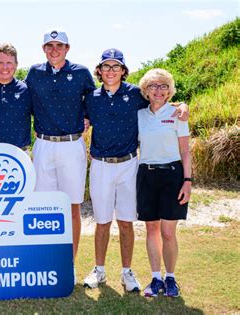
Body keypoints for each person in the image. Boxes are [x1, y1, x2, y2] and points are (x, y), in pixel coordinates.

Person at [83, 49, 189, 292]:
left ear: (123, 70)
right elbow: (83, 119)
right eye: (106, 66)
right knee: (101, 221)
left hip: (130, 165)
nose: (111, 71)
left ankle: (126, 272)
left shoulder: (135, 95)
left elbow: (160, 101)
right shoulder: (90, 97)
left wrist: (182, 105)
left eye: (116, 66)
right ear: (99, 71)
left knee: (126, 222)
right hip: (100, 164)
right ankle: (99, 270)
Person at [25, 29, 95, 273]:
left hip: (72, 144)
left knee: (71, 205)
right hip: (43, 144)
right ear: (43, 49)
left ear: (67, 48)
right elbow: (21, 98)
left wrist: (87, 116)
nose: (54, 50)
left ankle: (70, 263)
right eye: (49, 46)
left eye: (59, 45)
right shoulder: (34, 73)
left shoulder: (81, 73)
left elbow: (94, 99)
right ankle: (46, 261)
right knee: (44, 205)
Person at [137, 69, 191, 298]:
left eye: (163, 86)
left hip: (172, 175)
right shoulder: (139, 114)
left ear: (169, 90)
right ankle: (155, 278)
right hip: (146, 175)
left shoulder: (178, 114)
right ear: (145, 91)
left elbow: (186, 151)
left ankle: (170, 278)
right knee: (151, 229)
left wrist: (187, 181)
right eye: (153, 86)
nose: (158, 90)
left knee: (168, 232)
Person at [0, 43, 32, 152]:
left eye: (9, 63)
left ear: (16, 65)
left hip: (20, 153)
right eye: (0, 62)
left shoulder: (26, 90)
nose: (5, 67)